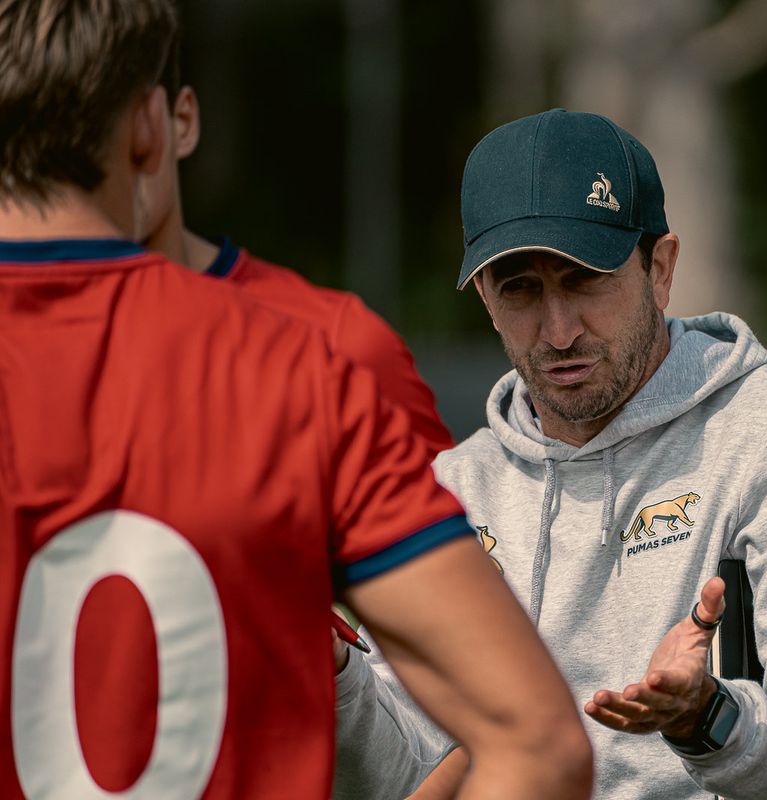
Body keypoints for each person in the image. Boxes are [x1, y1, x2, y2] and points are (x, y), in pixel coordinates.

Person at [0, 2, 593, 798]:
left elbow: (418, 730)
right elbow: (538, 741)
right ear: (148, 127)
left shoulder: (323, 348)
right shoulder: (298, 367)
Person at [334, 108, 767, 799]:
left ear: (660, 268)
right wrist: (333, 676)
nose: (558, 331)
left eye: (583, 278)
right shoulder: (452, 488)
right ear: (484, 297)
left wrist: (710, 720)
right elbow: (412, 775)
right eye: (520, 288)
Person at [139, 42, 453, 455]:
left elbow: (461, 503)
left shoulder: (340, 350)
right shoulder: (44, 356)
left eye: (122, 119)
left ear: (181, 121)